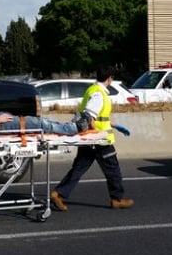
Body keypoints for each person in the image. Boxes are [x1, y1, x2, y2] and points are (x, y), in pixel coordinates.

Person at [50, 68, 134, 211]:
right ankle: (117, 199)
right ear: (109, 78)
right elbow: (89, 115)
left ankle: (58, 193)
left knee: (78, 168)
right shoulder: (99, 94)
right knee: (113, 170)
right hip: (99, 141)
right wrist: (96, 133)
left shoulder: (92, 90)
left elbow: (98, 116)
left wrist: (114, 125)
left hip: (89, 139)